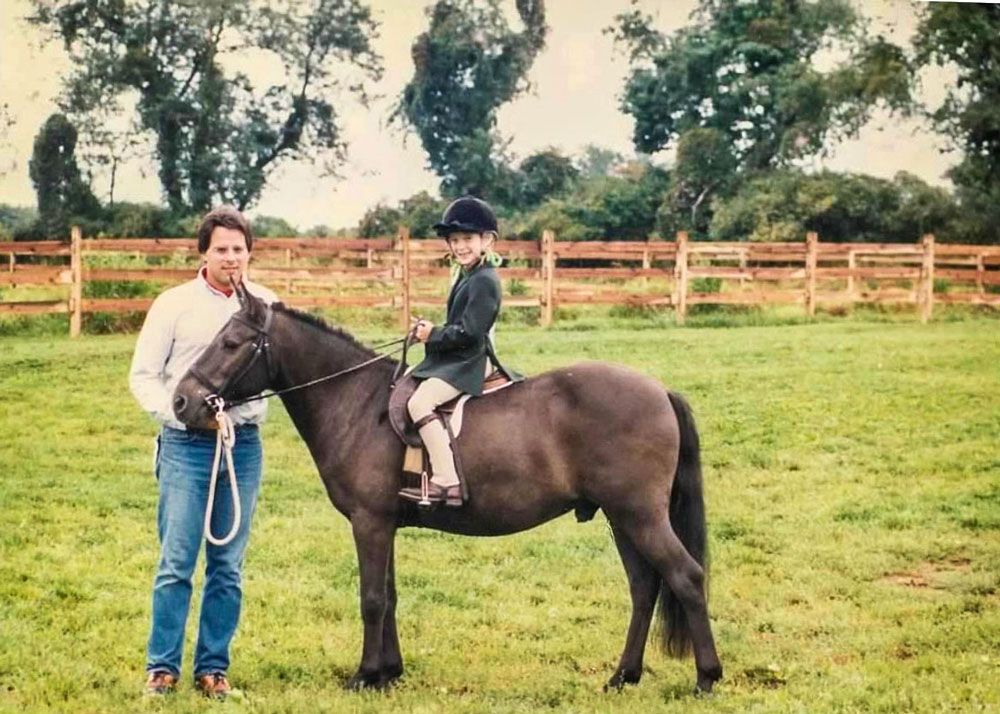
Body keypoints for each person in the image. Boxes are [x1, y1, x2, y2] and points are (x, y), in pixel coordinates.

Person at [129, 206, 278, 699]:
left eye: (239, 249)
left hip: (243, 447)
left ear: (249, 252)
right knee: (176, 562)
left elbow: (279, 375)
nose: (231, 258)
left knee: (228, 565)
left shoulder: (266, 305)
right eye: (221, 249)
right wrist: (182, 416)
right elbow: (144, 376)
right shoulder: (173, 304)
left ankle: (213, 668)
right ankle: (162, 669)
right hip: (185, 448)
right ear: (204, 252)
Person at [398, 196, 522, 507]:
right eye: (454, 240)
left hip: (470, 360)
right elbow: (460, 324)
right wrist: (429, 332)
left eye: (467, 238)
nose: (460, 246)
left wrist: (433, 335)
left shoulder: (485, 281)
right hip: (458, 356)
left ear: (487, 240)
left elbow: (470, 332)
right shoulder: (468, 275)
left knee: (419, 402)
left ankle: (447, 479)